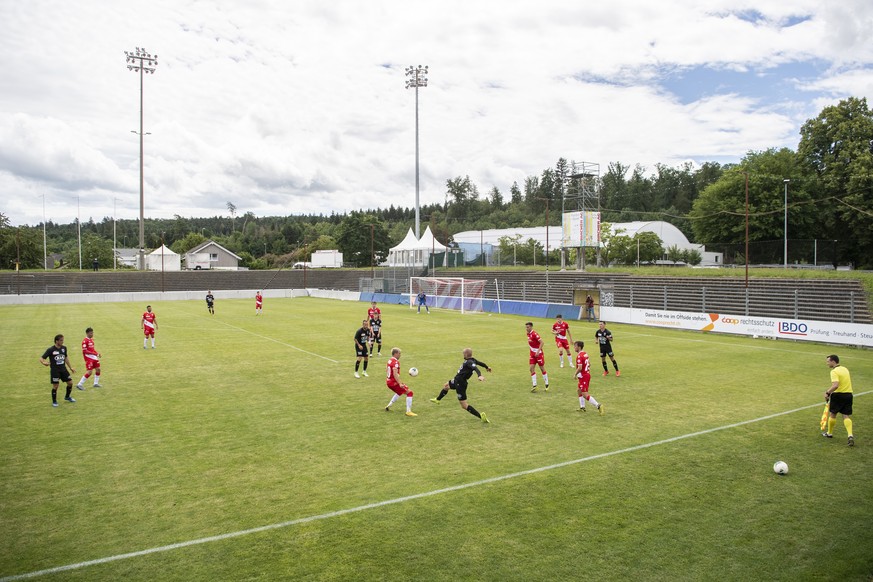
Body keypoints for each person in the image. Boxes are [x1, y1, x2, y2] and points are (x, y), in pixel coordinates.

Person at [429, 348, 491, 424]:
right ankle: (438, 400)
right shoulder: (473, 360)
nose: (462, 355)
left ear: (465, 354)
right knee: (446, 386)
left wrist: (479, 375)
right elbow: (481, 363)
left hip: (460, 384)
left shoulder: (469, 362)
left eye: (463, 354)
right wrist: (487, 367)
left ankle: (481, 416)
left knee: (464, 405)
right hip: (457, 380)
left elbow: (475, 368)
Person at [823, 354, 855, 446]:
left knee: (833, 414)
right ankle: (850, 435)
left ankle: (829, 433)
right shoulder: (845, 369)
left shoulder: (834, 371)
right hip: (848, 394)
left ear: (833, 361)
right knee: (846, 416)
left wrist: (827, 392)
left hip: (838, 395)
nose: (827, 363)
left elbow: (835, 385)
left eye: (828, 361)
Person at [39, 334, 76, 407]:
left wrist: (70, 367)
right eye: (61, 340)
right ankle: (54, 401)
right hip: (55, 371)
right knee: (56, 386)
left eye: (63, 340)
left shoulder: (64, 348)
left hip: (63, 370)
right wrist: (44, 362)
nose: (62, 341)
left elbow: (66, 358)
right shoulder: (51, 350)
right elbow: (41, 358)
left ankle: (67, 396)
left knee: (70, 383)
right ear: (57, 341)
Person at [574, 341, 604, 415]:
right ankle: (582, 407)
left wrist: (575, 374)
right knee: (579, 390)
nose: (574, 347)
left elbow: (580, 368)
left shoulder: (579, 356)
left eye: (575, 346)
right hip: (585, 375)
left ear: (579, 347)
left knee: (585, 394)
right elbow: (589, 364)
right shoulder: (585, 354)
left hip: (584, 376)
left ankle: (598, 406)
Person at [385, 347, 416, 417]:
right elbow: (395, 373)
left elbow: (387, 370)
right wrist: (400, 383)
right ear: (395, 353)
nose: (400, 355)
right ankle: (408, 411)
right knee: (410, 393)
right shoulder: (396, 362)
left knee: (399, 392)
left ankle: (389, 405)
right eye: (399, 353)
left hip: (388, 381)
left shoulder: (389, 360)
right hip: (394, 382)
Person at [525, 322, 550, 392]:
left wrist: (538, 351)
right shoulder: (528, 334)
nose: (527, 329)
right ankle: (534, 385)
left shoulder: (534, 334)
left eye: (528, 327)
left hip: (538, 354)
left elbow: (542, 342)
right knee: (531, 368)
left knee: (542, 368)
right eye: (526, 327)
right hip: (532, 354)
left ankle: (547, 384)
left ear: (531, 327)